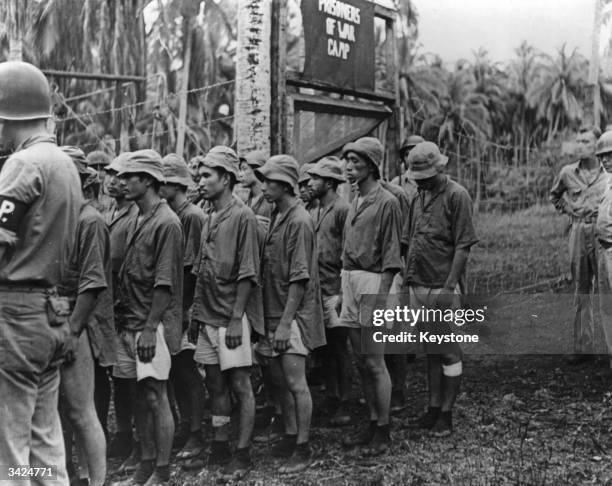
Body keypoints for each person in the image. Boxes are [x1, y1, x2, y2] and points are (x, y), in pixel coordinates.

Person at [0, 61, 83, 486]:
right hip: (50, 314)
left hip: (14, 314)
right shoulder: (66, 164)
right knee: (44, 438)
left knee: (8, 448)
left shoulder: (22, 164)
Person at [189, 146, 262, 480]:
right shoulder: (210, 214)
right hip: (207, 316)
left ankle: (243, 453)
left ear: (226, 179)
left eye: (207, 175)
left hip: (229, 318)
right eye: (200, 175)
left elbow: (248, 272)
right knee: (214, 383)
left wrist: (235, 319)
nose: (201, 181)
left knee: (240, 383)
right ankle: (219, 444)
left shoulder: (242, 216)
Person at [113, 149, 184, 486]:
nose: (122, 182)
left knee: (156, 396)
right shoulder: (137, 218)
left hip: (149, 325)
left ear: (148, 180)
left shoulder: (167, 222)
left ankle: (163, 470)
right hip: (131, 322)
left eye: (129, 177)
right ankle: (145, 464)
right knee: (139, 397)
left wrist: (150, 328)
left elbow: (165, 282)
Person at [254, 155, 326, 473]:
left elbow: (300, 277)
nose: (264, 186)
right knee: (278, 380)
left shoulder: (299, 220)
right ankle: (290, 432)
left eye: (269, 181)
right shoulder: (276, 213)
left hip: (291, 314)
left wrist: (286, 324)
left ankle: (303, 445)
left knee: (296, 382)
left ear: (285, 184)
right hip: (274, 308)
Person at [402, 141, 478, 438]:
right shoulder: (418, 197)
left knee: (447, 351)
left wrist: (449, 287)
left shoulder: (457, 195)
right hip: (419, 282)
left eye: (426, 175)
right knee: (430, 350)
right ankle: (433, 407)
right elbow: (412, 241)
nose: (421, 181)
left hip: (441, 284)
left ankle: (446, 413)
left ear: (440, 169)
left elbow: (463, 246)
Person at [339, 137, 402, 455]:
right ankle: (373, 420)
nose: (349, 168)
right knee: (360, 360)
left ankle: (384, 428)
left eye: (356, 162)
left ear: (372, 166)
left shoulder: (387, 202)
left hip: (374, 282)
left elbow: (392, 258)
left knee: (375, 360)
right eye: (347, 162)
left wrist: (379, 298)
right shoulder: (355, 200)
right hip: (350, 280)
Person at [58, 146, 115, 486]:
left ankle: (99, 481)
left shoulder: (89, 220)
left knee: (82, 412)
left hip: (76, 325)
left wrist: (72, 332)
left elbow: (92, 285)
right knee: (52, 414)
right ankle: (63, 476)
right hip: (51, 321)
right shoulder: (57, 217)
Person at [160, 153, 207, 459]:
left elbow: (192, 269)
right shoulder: (176, 213)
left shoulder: (189, 216)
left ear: (175, 184)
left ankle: (197, 432)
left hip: (187, 304)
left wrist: (187, 311)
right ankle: (187, 426)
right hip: (176, 304)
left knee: (188, 372)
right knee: (176, 371)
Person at [550, 126, 607, 364]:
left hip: (604, 233)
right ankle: (583, 347)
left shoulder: (608, 174)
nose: (580, 145)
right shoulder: (567, 173)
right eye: (578, 141)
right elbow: (555, 196)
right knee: (581, 288)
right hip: (578, 230)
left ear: (597, 145)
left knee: (607, 287)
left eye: (585, 141)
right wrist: (568, 209)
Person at [306, 157, 351, 426]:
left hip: (335, 287)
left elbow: (347, 250)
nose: (310, 183)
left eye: (315, 179)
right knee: (325, 349)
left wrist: (344, 292)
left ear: (330, 182)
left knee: (339, 347)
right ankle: (332, 396)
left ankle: (345, 401)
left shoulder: (343, 210)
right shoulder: (315, 211)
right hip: (318, 288)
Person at [104, 153, 141, 466]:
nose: (113, 180)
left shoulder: (134, 216)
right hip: (111, 307)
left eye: (120, 175)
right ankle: (124, 432)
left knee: (134, 380)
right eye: (110, 174)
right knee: (119, 376)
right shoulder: (109, 213)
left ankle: (135, 439)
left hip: (128, 306)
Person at [594, 130, 612, 368]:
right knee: (606, 306)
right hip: (604, 249)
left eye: (610, 155)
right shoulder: (607, 181)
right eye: (603, 156)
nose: (606, 160)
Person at [239, 150, 274, 234]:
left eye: (244, 169)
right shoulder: (247, 202)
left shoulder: (270, 201)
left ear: (257, 170)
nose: (240, 174)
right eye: (240, 170)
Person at [87, 150, 114, 215]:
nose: (98, 172)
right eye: (94, 168)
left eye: (102, 168)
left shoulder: (112, 192)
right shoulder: (85, 191)